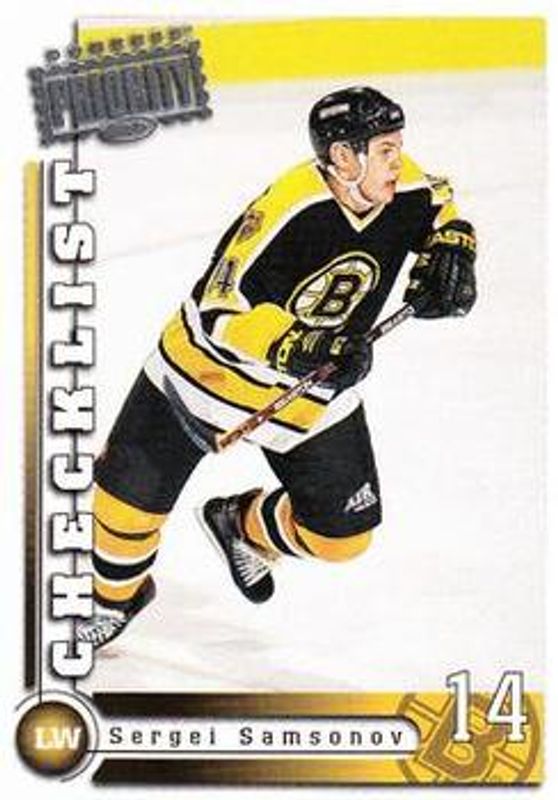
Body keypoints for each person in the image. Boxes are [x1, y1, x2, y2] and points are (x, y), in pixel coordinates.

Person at [77, 86, 477, 649]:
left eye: (398, 146)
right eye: (386, 150)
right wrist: (300, 346)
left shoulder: (404, 187)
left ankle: (239, 524)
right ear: (344, 157)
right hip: (203, 378)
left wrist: (455, 245)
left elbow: (440, 203)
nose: (399, 161)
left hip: (312, 392)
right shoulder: (288, 210)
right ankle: (116, 600)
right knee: (122, 510)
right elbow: (219, 308)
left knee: (342, 536)